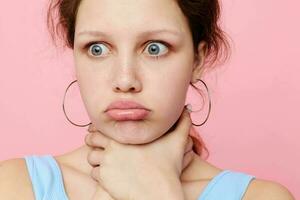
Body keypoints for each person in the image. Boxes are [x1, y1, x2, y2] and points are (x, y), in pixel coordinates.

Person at [0, 0, 295, 199]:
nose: (125, 80)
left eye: (155, 48)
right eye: (97, 49)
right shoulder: (13, 186)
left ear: (198, 60)